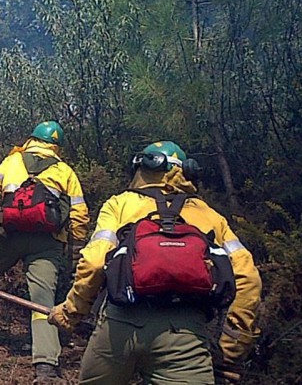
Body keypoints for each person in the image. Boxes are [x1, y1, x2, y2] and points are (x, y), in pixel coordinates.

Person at [48, 141, 262, 384]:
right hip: (185, 335)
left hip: (118, 327)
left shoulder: (120, 204)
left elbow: (95, 263)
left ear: (141, 168)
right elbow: (249, 279)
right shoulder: (210, 216)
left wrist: (70, 313)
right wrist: (231, 349)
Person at [0, 121, 90, 384]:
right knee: (42, 301)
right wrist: (74, 249)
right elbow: (80, 214)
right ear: (56, 145)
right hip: (47, 242)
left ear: (32, 139)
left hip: (9, 235)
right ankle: (46, 367)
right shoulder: (65, 171)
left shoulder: (12, 161)